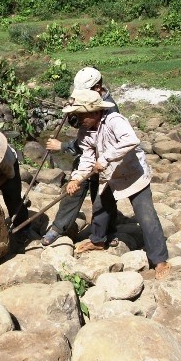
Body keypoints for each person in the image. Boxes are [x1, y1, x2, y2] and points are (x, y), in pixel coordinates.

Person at [63, 89, 171, 279]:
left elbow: (131, 140)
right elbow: (87, 158)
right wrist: (76, 178)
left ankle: (160, 260)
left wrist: (105, 158)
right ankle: (98, 240)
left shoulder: (114, 120)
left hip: (132, 174)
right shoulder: (84, 132)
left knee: (146, 216)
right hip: (110, 176)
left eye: (81, 116)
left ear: (95, 112)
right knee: (100, 208)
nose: (79, 120)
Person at [41, 67, 119, 246]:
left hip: (104, 159)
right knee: (73, 190)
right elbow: (80, 129)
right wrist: (72, 111)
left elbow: (92, 140)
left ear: (98, 88)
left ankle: (108, 231)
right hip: (86, 156)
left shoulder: (110, 110)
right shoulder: (86, 98)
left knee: (102, 197)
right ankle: (59, 228)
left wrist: (62, 146)